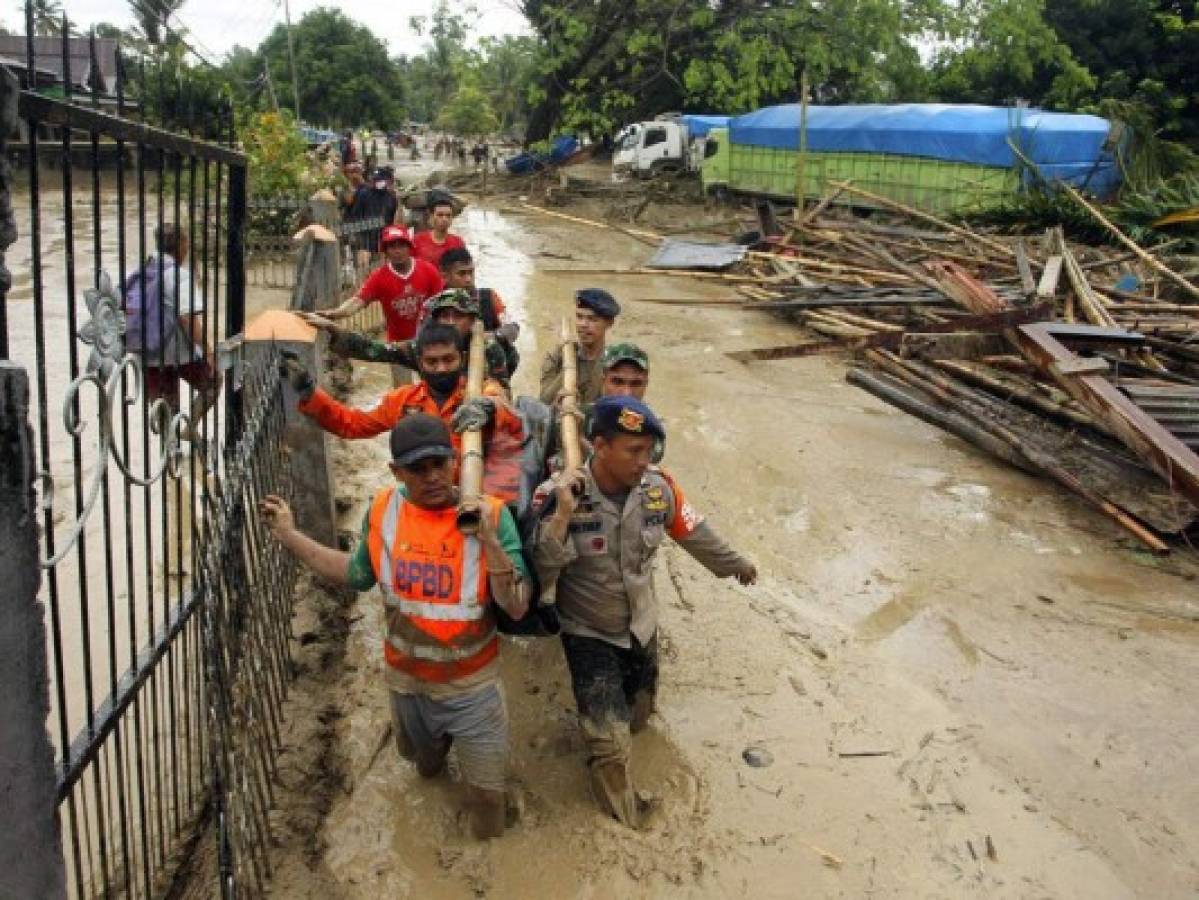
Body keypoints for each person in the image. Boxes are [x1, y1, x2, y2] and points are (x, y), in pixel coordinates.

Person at [259, 413, 529, 839]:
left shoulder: (492, 515)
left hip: (471, 690)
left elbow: (515, 607)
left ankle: (488, 857)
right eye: (418, 469)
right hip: (408, 686)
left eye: (440, 463)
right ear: (396, 471)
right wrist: (290, 535)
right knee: (426, 768)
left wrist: (489, 541)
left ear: (455, 459)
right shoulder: (384, 510)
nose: (433, 476)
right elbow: (353, 574)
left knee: (487, 797)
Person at [530, 396, 757, 829]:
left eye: (648, 450)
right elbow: (539, 568)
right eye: (633, 450)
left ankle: (617, 727)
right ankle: (624, 815)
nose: (643, 460)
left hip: (640, 627)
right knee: (610, 742)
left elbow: (696, 532)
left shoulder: (659, 490)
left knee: (639, 714)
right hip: (588, 632)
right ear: (599, 445)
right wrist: (560, 516)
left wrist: (737, 566)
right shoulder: (558, 495)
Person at [280, 322, 523, 504]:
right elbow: (353, 424)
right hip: (425, 498)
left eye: (448, 360)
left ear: (462, 359)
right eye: (432, 362)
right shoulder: (403, 400)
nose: (441, 369)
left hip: (475, 497)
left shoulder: (480, 391)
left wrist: (489, 408)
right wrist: (308, 392)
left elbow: (510, 415)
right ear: (419, 362)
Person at [304, 289, 518, 387]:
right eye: (445, 315)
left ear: (472, 320)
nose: (451, 321)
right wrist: (334, 329)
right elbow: (375, 350)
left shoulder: (489, 348)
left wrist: (485, 405)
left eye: (459, 315)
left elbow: (502, 390)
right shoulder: (422, 347)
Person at [125, 223, 221, 437]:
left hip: (148, 353)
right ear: (180, 244)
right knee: (214, 381)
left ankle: (170, 460)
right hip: (180, 353)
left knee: (165, 411)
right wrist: (208, 350)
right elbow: (187, 317)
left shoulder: (142, 271)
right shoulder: (178, 275)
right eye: (186, 243)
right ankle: (190, 428)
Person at [323, 225, 444, 384]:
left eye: (401, 245)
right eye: (391, 247)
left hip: (428, 340)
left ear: (409, 247)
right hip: (397, 345)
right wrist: (333, 313)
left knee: (434, 385)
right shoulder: (379, 278)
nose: (397, 250)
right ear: (385, 252)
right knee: (403, 392)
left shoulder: (428, 270)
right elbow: (357, 301)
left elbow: (442, 305)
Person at [538, 288, 620, 406]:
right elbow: (543, 401)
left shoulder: (614, 363)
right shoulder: (557, 357)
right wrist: (571, 360)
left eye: (592, 319)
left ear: (609, 323)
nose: (583, 325)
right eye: (579, 317)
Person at [346, 166, 400, 271]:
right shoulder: (363, 194)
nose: (377, 182)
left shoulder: (391, 198)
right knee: (363, 272)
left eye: (380, 180)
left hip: (381, 242)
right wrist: (360, 245)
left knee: (380, 272)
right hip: (364, 240)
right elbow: (354, 217)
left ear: (388, 181)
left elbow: (391, 221)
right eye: (375, 180)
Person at [412, 197, 466, 269]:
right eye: (440, 215)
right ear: (431, 216)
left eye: (448, 215)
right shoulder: (417, 240)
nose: (444, 219)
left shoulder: (458, 242)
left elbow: (464, 268)